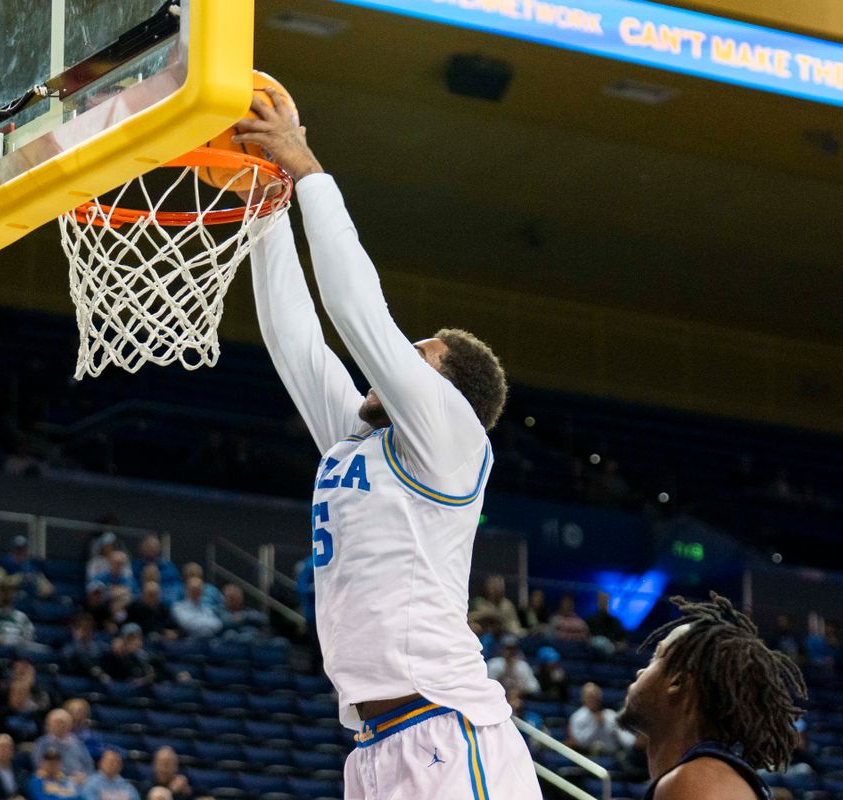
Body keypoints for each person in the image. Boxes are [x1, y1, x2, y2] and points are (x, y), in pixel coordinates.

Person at [238, 90, 536, 798]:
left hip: (447, 731)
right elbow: (297, 343)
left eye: (418, 354)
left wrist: (302, 164)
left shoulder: (452, 437)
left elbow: (356, 312)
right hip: (375, 747)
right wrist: (261, 204)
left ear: (446, 393)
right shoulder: (359, 444)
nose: (398, 357)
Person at [617, 593, 807, 800]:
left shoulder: (694, 782)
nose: (640, 672)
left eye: (656, 657)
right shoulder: (708, 777)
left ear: (677, 682)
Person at [569, 682, 634, 756]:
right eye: (589, 696)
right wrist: (595, 725)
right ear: (583, 698)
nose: (592, 699)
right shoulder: (577, 717)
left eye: (595, 696)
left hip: (611, 756)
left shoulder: (610, 714)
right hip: (587, 756)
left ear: (600, 697)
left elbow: (623, 736)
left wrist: (634, 742)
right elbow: (580, 742)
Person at [32, 709, 94, 783]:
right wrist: (65, 777)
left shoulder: (77, 743)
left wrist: (85, 776)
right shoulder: (42, 743)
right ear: (49, 725)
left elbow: (89, 764)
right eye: (56, 722)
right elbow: (38, 764)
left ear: (69, 725)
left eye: (63, 723)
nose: (60, 726)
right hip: (55, 780)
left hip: (80, 780)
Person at [0, 535, 54, 599]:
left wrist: (39, 593)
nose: (20, 551)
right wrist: (18, 578)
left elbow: (47, 588)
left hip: (30, 600)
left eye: (23, 548)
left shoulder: (31, 566)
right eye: (18, 548)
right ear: (13, 549)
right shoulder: (4, 563)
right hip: (10, 598)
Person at [0, 582, 36, 647]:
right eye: (2, 591)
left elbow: (28, 640)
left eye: (8, 592)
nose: (5, 595)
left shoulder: (21, 616)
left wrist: (7, 640)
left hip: (17, 650)